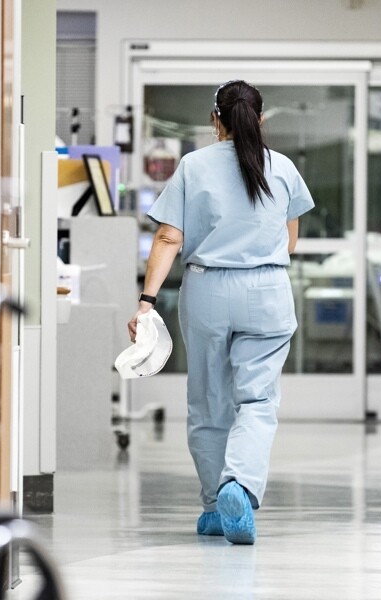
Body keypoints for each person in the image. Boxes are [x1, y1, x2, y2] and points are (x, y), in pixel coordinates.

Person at [129, 80, 314, 545]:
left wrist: (147, 302)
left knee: (208, 401)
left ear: (216, 120)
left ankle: (215, 504)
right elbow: (290, 241)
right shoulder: (283, 167)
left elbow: (169, 238)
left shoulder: (193, 166)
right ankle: (240, 485)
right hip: (267, 291)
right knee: (257, 401)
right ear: (260, 119)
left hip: (208, 290)